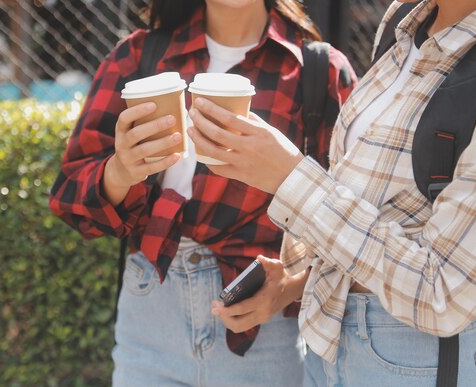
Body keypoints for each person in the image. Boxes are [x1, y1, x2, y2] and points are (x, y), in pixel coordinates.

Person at [188, 0, 476, 385]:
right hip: (326, 350)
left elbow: (443, 296)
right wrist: (297, 283)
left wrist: (290, 178)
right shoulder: (405, 20)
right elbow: (377, 204)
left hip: (421, 364)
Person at [49, 0, 356, 385]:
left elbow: (352, 220)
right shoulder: (139, 55)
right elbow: (69, 197)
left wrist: (291, 288)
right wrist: (120, 171)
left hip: (262, 324)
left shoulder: (319, 71)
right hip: (150, 312)